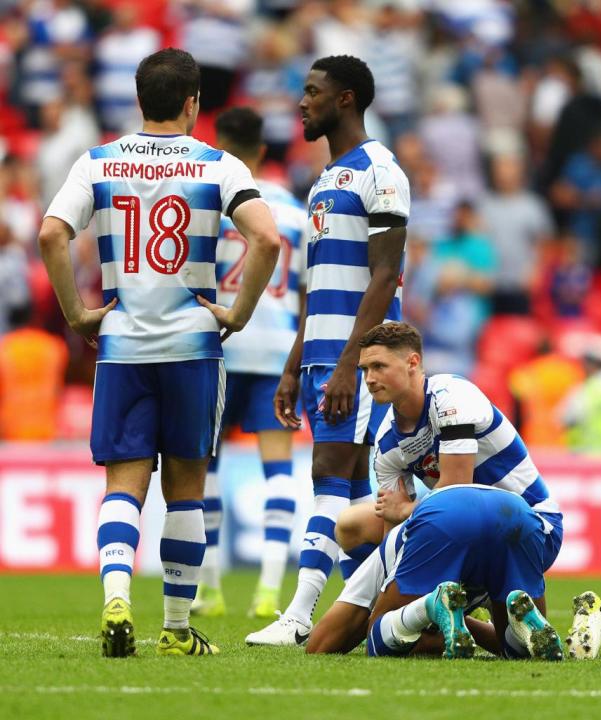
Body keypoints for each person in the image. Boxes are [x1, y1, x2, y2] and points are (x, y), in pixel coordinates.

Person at [37, 48, 281, 657]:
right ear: (194, 103)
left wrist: (76, 314)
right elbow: (267, 238)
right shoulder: (218, 166)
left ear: (139, 99)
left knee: (123, 485)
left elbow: (50, 234)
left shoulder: (96, 162)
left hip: (121, 345)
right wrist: (239, 312)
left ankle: (116, 596)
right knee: (185, 490)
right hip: (193, 345)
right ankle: (175, 629)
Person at [246, 55, 410, 646]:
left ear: (344, 99)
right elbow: (316, 287)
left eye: (312, 92)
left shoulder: (381, 171)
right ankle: (376, 619)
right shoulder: (325, 178)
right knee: (360, 495)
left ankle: (297, 618)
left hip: (356, 362)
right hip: (319, 358)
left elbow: (384, 276)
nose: (301, 102)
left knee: (329, 477)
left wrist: (350, 363)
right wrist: (294, 368)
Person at [305, 320, 564, 659]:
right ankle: (451, 612)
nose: (369, 378)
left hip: (527, 523)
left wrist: (381, 603)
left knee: (365, 636)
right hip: (507, 531)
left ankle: (432, 610)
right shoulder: (387, 444)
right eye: (365, 369)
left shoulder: (449, 394)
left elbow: (455, 490)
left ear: (413, 363)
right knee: (517, 651)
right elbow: (393, 530)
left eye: (379, 366)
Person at [191, 107, 308, 620]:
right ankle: (268, 591)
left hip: (219, 343)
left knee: (207, 466)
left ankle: (209, 588)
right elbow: (305, 290)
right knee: (278, 467)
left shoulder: (211, 204)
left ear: (220, 143)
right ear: (263, 150)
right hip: (277, 349)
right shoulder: (294, 212)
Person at [365, 486, 563, 661]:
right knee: (518, 644)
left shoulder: (385, 548)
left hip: (446, 513)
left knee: (376, 638)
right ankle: (448, 609)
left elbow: (334, 635)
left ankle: (430, 605)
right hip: (519, 512)